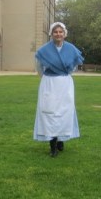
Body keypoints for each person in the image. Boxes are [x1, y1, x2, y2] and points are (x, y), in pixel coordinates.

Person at [33, 22, 84, 157]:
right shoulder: (44, 50)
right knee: (49, 112)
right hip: (49, 82)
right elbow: (39, 68)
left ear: (64, 34)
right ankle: (53, 145)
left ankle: (61, 138)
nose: (58, 34)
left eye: (60, 32)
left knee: (64, 112)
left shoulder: (71, 49)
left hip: (65, 83)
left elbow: (74, 66)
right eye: (55, 32)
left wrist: (64, 75)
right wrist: (48, 78)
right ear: (51, 34)